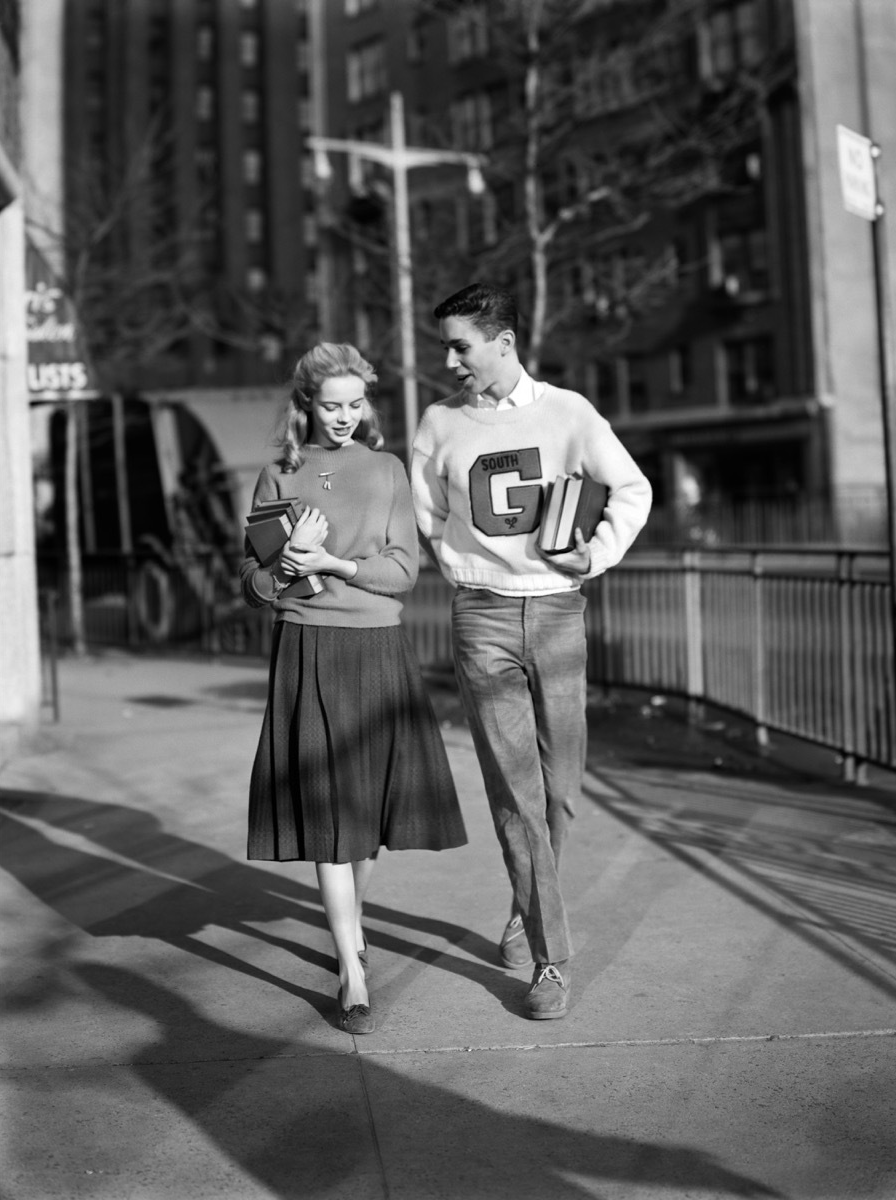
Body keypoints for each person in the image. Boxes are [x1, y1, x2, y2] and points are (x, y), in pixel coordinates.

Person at [411, 283, 651, 1021]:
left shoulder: (569, 413)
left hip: (557, 612)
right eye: (446, 348)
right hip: (482, 617)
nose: (450, 361)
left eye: (461, 346)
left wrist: (593, 555)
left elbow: (632, 489)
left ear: (504, 341)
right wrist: (467, 569)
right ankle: (550, 960)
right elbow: (430, 516)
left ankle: (525, 905)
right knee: (516, 793)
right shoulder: (439, 424)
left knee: (560, 789)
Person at [242, 342, 467, 1035]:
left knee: (363, 818)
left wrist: (332, 561)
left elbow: (403, 572)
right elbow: (252, 583)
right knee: (329, 816)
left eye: (355, 404)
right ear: (306, 404)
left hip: (377, 650)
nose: (343, 417)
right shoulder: (279, 473)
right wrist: (286, 567)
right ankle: (352, 971)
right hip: (307, 647)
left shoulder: (386, 469)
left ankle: (353, 925)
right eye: (331, 405)